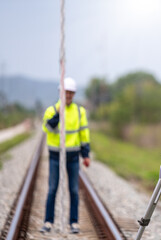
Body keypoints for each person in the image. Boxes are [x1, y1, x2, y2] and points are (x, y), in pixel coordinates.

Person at [40, 77, 91, 234]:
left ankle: (73, 223)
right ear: (60, 93)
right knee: (52, 189)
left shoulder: (79, 111)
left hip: (73, 157)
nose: (68, 96)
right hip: (55, 156)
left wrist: (86, 154)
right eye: (65, 93)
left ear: (73, 94)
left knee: (74, 190)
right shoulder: (51, 110)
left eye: (70, 93)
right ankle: (48, 222)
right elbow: (47, 128)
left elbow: (84, 133)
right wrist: (57, 114)